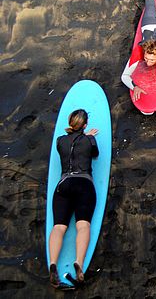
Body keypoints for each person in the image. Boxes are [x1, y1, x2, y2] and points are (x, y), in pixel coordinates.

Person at [48, 109, 99, 287]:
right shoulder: (88, 139)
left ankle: (53, 263)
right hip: (83, 184)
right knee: (83, 225)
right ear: (85, 125)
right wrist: (89, 137)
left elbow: (70, 145)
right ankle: (79, 262)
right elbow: (94, 154)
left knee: (59, 226)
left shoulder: (60, 141)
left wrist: (82, 133)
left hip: (63, 184)